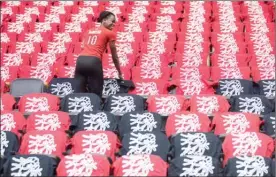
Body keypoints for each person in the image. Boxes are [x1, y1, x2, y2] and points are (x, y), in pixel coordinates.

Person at [74, 11, 122, 97]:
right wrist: (119, 72)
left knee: (78, 93)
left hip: (80, 61)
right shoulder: (109, 33)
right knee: (96, 94)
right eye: (112, 21)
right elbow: (114, 56)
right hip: (93, 61)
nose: (114, 24)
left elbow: (83, 47)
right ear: (104, 20)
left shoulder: (88, 31)